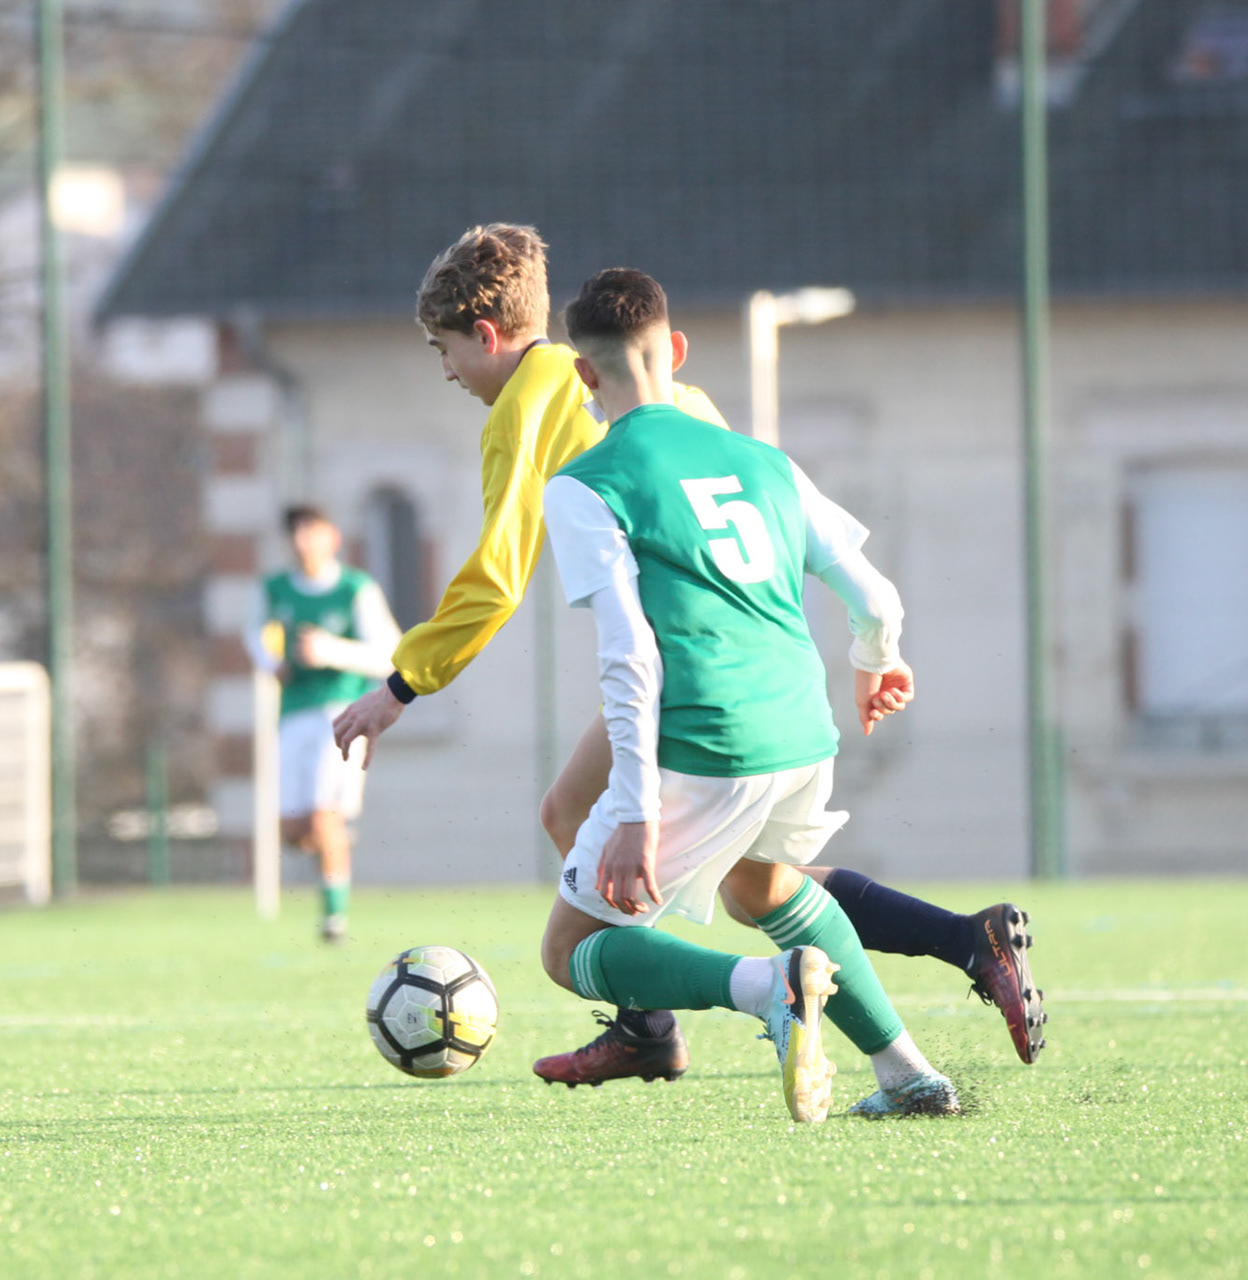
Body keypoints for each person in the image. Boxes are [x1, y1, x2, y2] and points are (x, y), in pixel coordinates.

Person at [331, 223, 1044, 1085]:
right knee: (732, 876)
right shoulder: (698, 408)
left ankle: (727, 1001)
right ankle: (948, 966)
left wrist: (401, 686)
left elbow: (498, 576)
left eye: (443, 351)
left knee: (587, 919)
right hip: (783, 677)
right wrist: (874, 649)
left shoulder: (530, 404)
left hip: (689, 685)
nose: (446, 372)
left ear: (487, 336)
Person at [537, 266, 960, 1121]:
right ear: (676, 350)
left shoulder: (584, 484)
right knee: (766, 888)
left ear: (583, 373)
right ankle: (910, 1076)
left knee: (572, 948)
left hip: (709, 742)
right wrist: (877, 658)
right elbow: (877, 597)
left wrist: (635, 809)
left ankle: (768, 988)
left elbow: (629, 654)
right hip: (804, 729)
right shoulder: (766, 461)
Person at [245, 505, 401, 944]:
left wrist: (332, 651)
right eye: (295, 533)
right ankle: (335, 839)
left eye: (311, 531)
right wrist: (270, 662)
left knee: (322, 814)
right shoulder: (274, 589)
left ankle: (334, 920)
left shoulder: (355, 589)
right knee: (293, 831)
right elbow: (254, 633)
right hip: (292, 713)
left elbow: (391, 654)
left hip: (342, 712)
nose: (302, 541)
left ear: (332, 537)